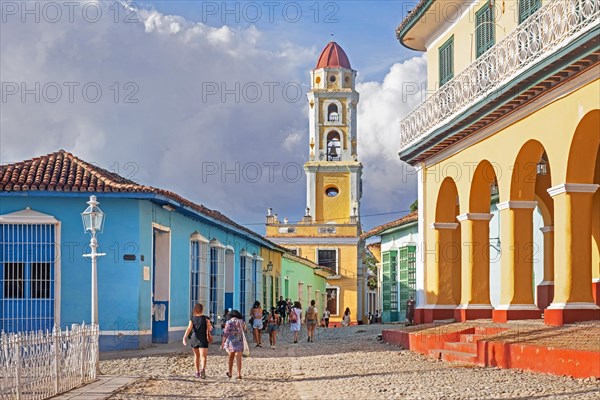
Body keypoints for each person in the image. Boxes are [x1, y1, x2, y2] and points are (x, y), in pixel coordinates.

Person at [182, 303, 212, 379]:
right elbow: (210, 329)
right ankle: (203, 370)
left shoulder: (192, 319)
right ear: (202, 310)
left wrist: (184, 337)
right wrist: (208, 325)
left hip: (194, 338)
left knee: (196, 356)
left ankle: (197, 372)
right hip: (203, 338)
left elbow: (189, 329)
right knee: (203, 356)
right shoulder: (206, 318)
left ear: (195, 310)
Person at [221, 310, 247, 379]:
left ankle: (230, 373)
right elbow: (245, 330)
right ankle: (239, 373)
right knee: (239, 358)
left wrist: (223, 342)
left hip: (231, 341)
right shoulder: (241, 322)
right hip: (239, 340)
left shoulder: (228, 322)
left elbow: (225, 333)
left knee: (231, 357)